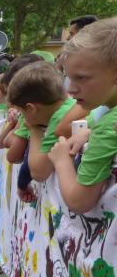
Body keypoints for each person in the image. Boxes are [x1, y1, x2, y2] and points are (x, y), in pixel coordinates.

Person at [49, 17, 117, 214]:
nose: (70, 89)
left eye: (81, 78)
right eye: (69, 78)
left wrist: (61, 160)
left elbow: (79, 201)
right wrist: (89, 131)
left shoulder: (108, 127)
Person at [6, 62, 77, 183]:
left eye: (21, 112)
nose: (22, 117)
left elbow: (38, 173)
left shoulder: (61, 118)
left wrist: (34, 130)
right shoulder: (68, 106)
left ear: (31, 108)